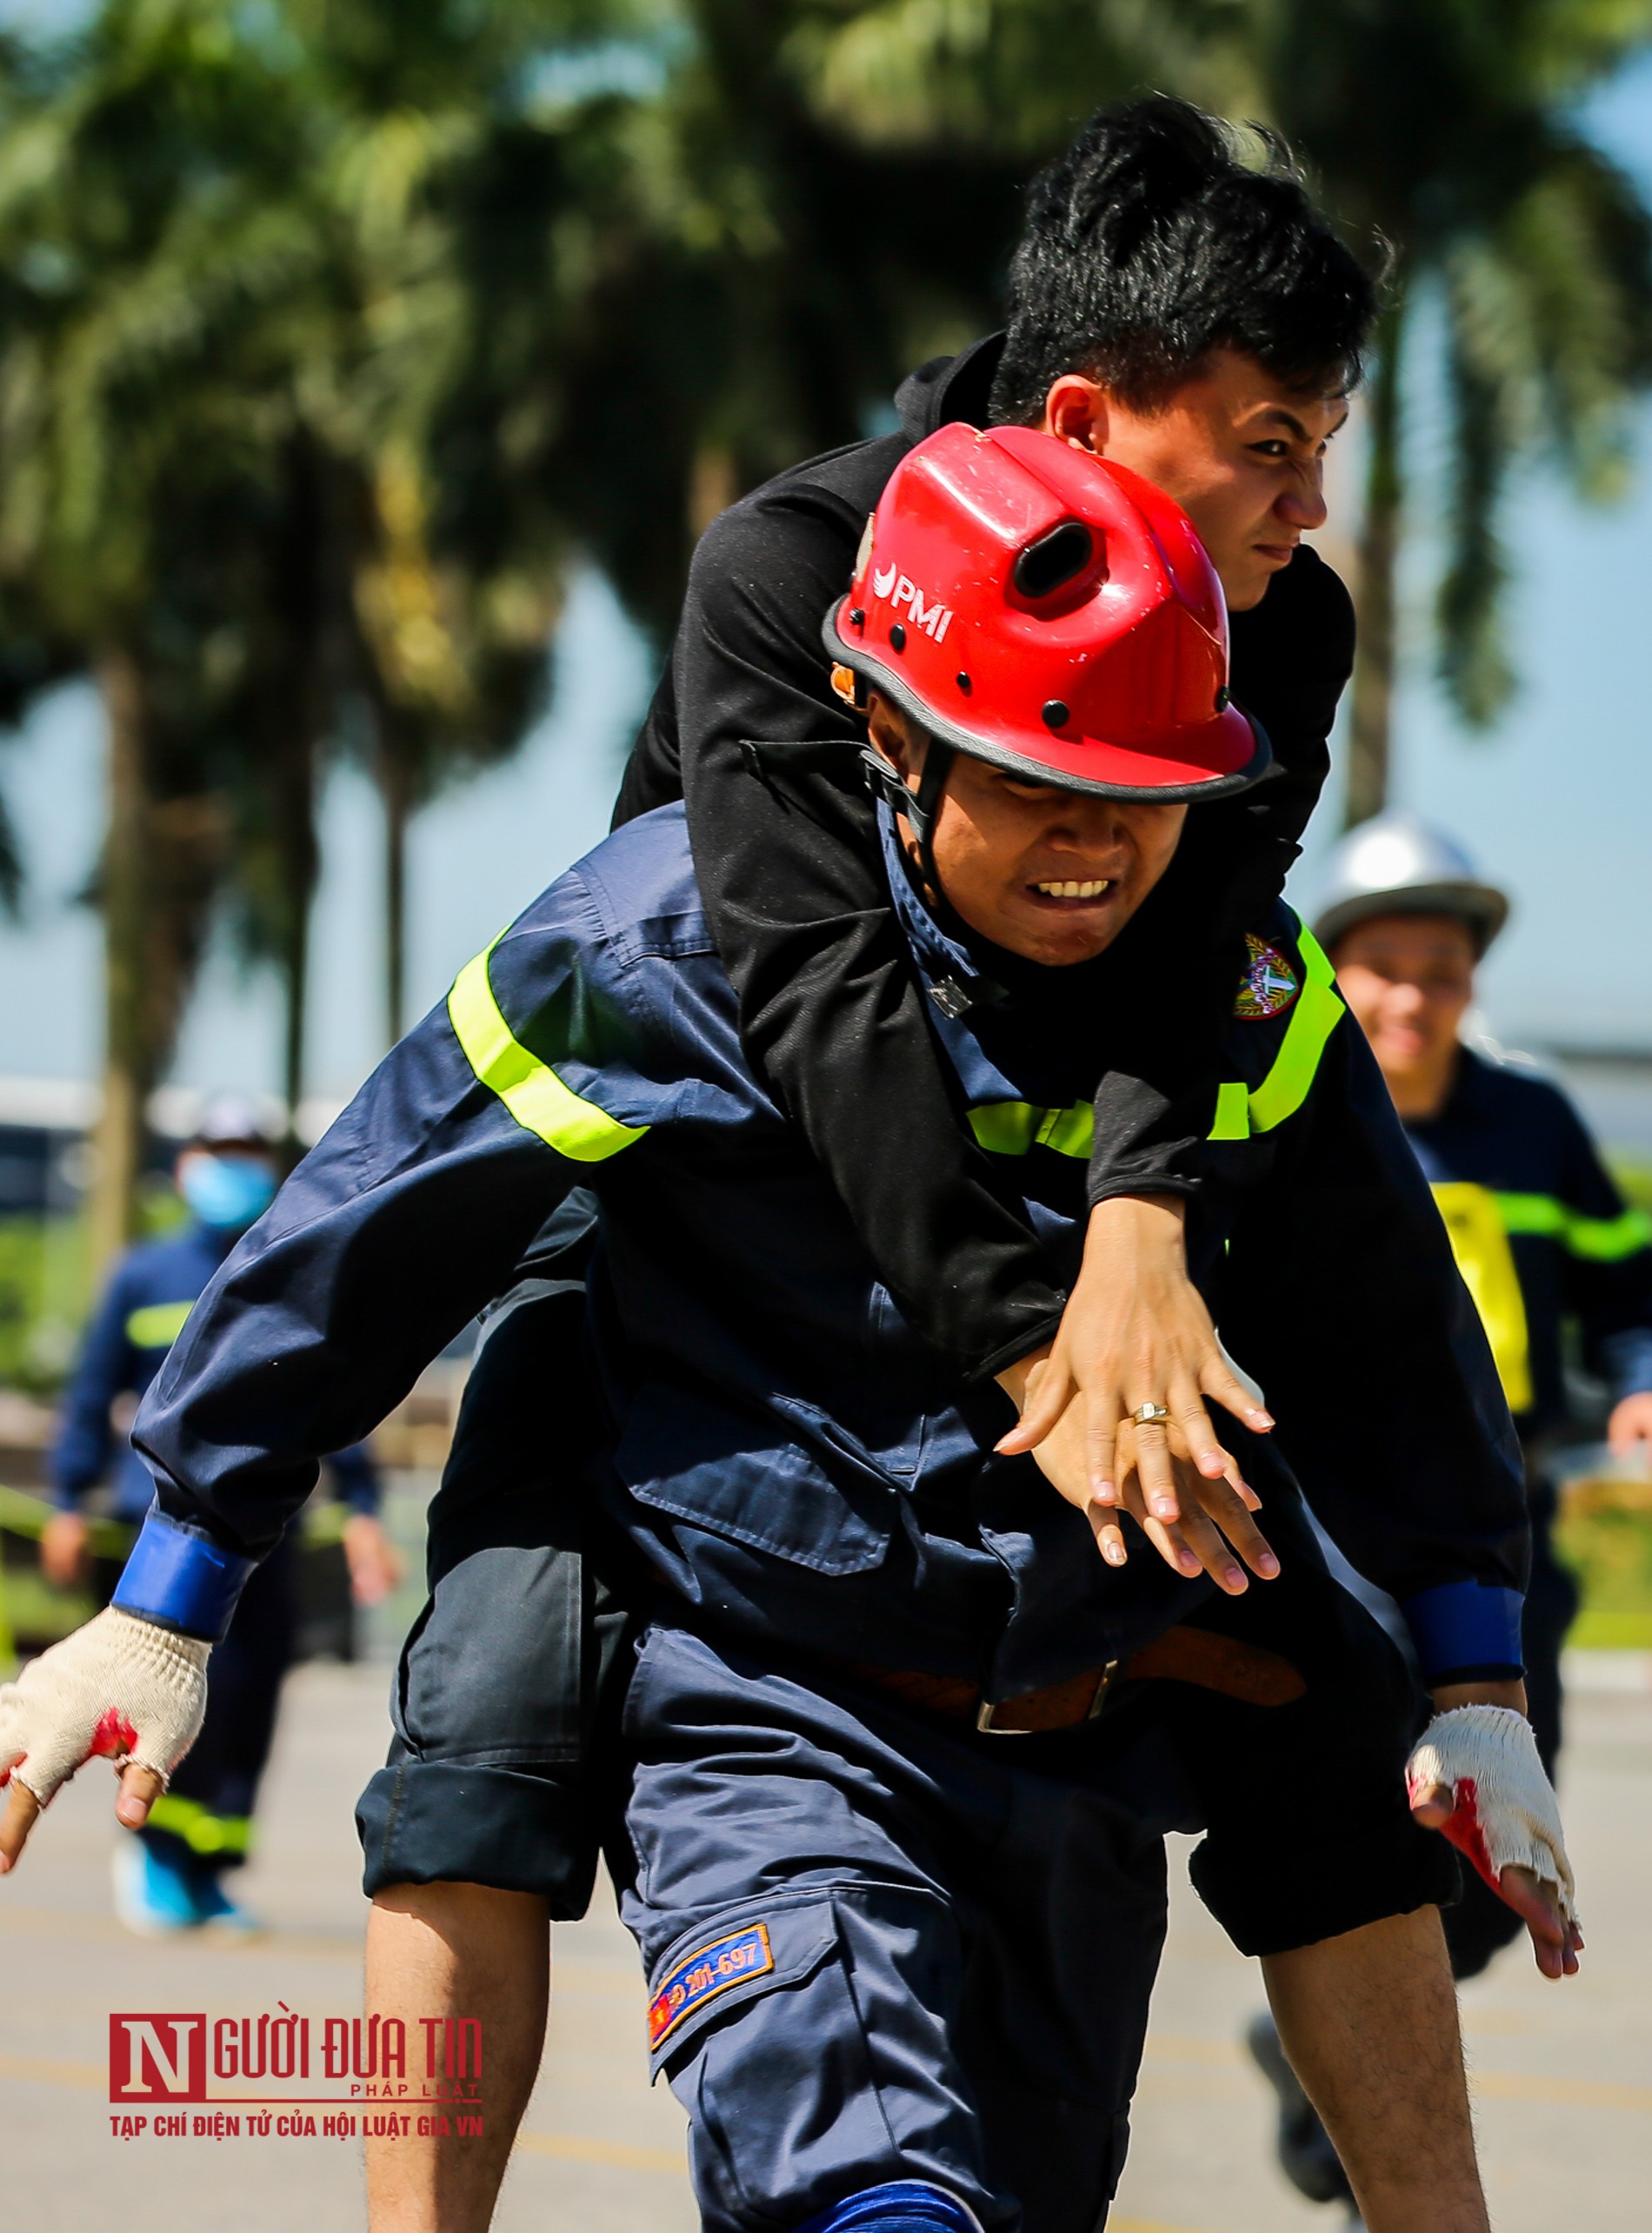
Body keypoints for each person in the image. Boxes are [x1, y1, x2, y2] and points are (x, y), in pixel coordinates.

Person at [0, 434, 1572, 2233]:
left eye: (1142, 796)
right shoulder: (652, 948)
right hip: (765, 1697)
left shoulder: (1246, 1001)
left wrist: (1474, 1683)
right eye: (1035, 783)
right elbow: (366, 1231)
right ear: (889, 741)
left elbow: (1391, 1345)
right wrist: (163, 1603)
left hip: (1074, 1715)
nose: (1095, 845)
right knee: (855, 2182)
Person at [1249, 812, 1652, 2214]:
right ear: (1331, 977)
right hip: (1332, 1537)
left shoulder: (1532, 1125)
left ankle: (1318, 2055)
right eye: (1382, 970)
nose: (1413, 1000)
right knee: (1374, 1838)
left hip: (1505, 1545)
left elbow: (1627, 1296)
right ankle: (1360, 2124)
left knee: (1495, 1868)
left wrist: (1638, 1385)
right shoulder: (1283, 1115)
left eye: (1442, 971)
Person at [41, 1095, 401, 1935]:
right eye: (219, 1149)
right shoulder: (142, 1274)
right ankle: (159, 1855)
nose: (232, 1165)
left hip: (266, 1532)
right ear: (186, 1166)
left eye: (248, 1150)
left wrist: (363, 1510)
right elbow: (92, 1391)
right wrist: (67, 1499)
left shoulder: (288, 1267)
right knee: (164, 1693)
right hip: (159, 1531)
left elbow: (329, 1398)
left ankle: (212, 1868)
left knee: (249, 1703)